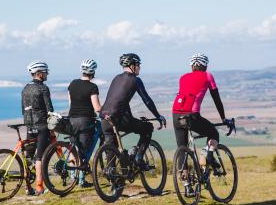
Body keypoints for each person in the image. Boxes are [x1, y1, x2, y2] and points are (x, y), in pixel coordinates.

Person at [171, 53, 234, 195]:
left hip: (176, 115)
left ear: (192, 66)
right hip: (192, 116)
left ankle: (187, 186)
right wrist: (224, 118)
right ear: (205, 65)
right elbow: (217, 99)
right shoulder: (208, 76)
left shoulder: (183, 77)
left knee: (182, 148)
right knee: (213, 133)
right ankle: (207, 156)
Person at [100, 53, 166, 168]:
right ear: (133, 65)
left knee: (112, 148)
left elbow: (118, 100)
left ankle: (115, 178)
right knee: (148, 128)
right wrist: (158, 116)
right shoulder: (135, 80)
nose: (140, 67)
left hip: (104, 118)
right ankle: (138, 158)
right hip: (118, 119)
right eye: (138, 65)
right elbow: (147, 101)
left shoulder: (116, 78)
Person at [67, 59, 102, 187]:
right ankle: (81, 180)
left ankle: (73, 178)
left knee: (73, 148)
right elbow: (97, 107)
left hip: (71, 119)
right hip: (85, 121)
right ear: (93, 72)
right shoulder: (92, 87)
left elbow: (70, 103)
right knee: (83, 150)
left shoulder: (73, 83)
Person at [21, 60, 53, 195]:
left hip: (29, 126)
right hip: (41, 126)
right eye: (46, 72)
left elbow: (23, 109)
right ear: (39, 73)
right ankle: (39, 187)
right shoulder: (43, 88)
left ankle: (28, 188)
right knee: (40, 157)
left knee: (29, 157)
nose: (47, 74)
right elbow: (49, 109)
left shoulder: (25, 88)